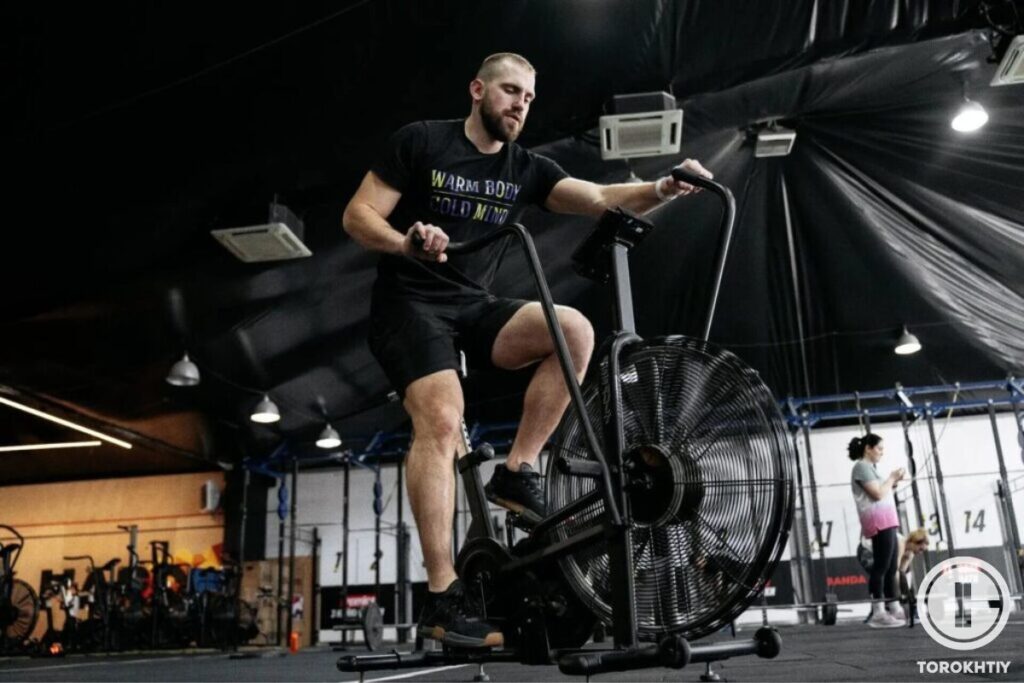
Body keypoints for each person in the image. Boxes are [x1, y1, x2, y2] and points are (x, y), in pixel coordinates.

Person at [342, 51, 712, 648]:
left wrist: (663, 187)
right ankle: (443, 596)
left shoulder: (525, 167)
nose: (521, 104)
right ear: (477, 90)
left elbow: (597, 196)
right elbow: (358, 215)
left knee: (575, 331)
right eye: (511, 91)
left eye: (529, 98)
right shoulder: (422, 143)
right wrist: (405, 240)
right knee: (441, 419)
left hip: (473, 304)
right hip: (410, 303)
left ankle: (517, 472)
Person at [849, 433, 907, 628]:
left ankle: (894, 607)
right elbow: (877, 493)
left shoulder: (871, 469)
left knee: (891, 568)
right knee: (881, 567)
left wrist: (894, 481)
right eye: (879, 448)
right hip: (877, 521)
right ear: (868, 448)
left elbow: (883, 490)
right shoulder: (861, 467)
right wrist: (891, 478)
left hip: (887, 520)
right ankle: (878, 612)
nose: (882, 452)